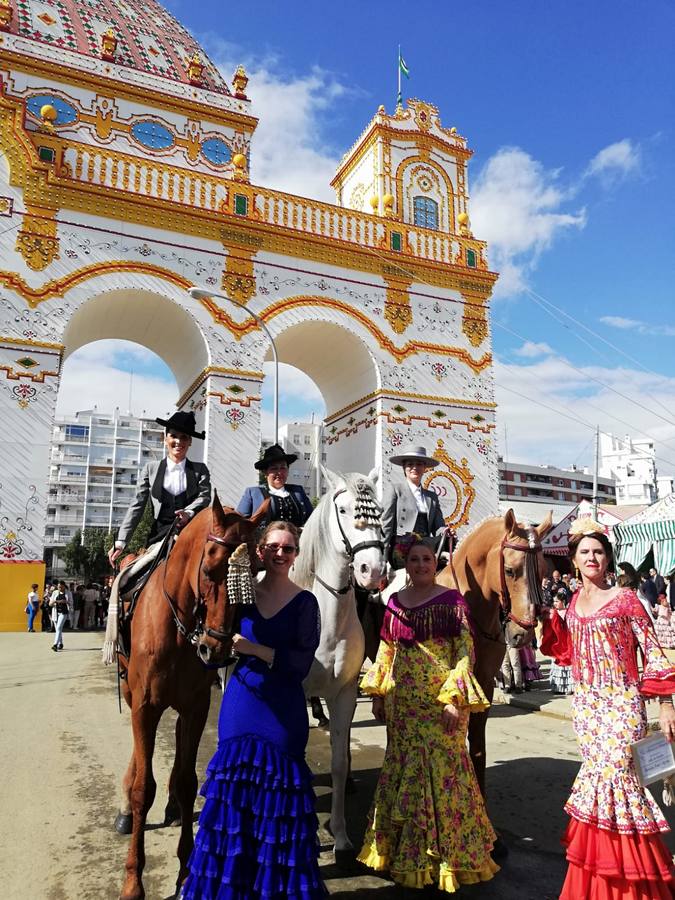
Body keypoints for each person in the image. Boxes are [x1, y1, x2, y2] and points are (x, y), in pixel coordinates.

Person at [180, 522, 326, 899]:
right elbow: (216, 660)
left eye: (289, 548)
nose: (281, 553)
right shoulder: (238, 596)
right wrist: (210, 643)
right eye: (274, 547)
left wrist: (255, 650)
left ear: (296, 555)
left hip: (282, 711)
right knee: (233, 801)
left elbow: (300, 665)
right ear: (259, 550)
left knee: (279, 805)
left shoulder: (306, 602)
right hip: (240, 709)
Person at [541, 518, 675, 899]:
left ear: (608, 557)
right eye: (584, 551)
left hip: (622, 703)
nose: (592, 557)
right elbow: (567, 653)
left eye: (598, 551)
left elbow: (653, 651)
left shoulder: (627, 599)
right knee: (598, 783)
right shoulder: (571, 603)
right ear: (574, 560)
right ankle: (597, 885)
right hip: (586, 705)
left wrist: (665, 705)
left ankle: (631, 886)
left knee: (619, 779)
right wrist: (553, 622)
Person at [358, 537, 498, 892]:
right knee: (403, 771)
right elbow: (387, 650)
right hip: (403, 706)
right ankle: (409, 859)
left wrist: (455, 700)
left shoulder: (452, 601)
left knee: (446, 776)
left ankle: (449, 860)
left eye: (427, 559)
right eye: (415, 559)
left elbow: (465, 652)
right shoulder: (394, 603)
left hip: (442, 704)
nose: (421, 564)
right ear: (407, 564)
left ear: (435, 564)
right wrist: (378, 693)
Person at [108, 411, 211, 567]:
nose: (178, 441)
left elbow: (204, 497)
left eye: (184, 437)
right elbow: (137, 505)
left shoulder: (200, 469)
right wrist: (121, 541)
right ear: (165, 439)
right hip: (159, 537)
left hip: (192, 535)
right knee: (127, 579)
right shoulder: (150, 468)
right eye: (174, 436)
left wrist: (189, 513)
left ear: (190, 441)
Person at [381, 444, 447, 568]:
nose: (414, 468)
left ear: (424, 468)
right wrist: (382, 558)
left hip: (426, 545)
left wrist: (446, 531)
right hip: (402, 547)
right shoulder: (395, 490)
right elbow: (386, 525)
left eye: (419, 464)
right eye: (410, 464)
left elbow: (438, 527)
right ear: (404, 468)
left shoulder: (431, 497)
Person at [236, 443, 314, 528]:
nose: (279, 473)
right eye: (274, 468)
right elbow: (239, 524)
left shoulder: (298, 491)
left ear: (288, 471)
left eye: (283, 468)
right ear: (265, 472)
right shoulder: (253, 493)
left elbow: (312, 519)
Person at [549, 592, 573, 695]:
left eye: (557, 601)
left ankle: (569, 687)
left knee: (568, 662)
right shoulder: (553, 613)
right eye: (554, 601)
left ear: (563, 602)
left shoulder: (569, 613)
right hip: (557, 643)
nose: (555, 603)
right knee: (559, 662)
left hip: (568, 642)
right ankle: (558, 687)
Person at [49, 581, 69, 652]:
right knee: (58, 629)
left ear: (64, 586)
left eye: (61, 586)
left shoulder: (68, 593)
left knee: (58, 627)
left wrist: (66, 602)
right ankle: (60, 643)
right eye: (58, 587)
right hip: (55, 612)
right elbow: (50, 604)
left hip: (64, 613)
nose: (59, 588)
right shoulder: (55, 593)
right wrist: (55, 601)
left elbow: (71, 603)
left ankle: (55, 644)